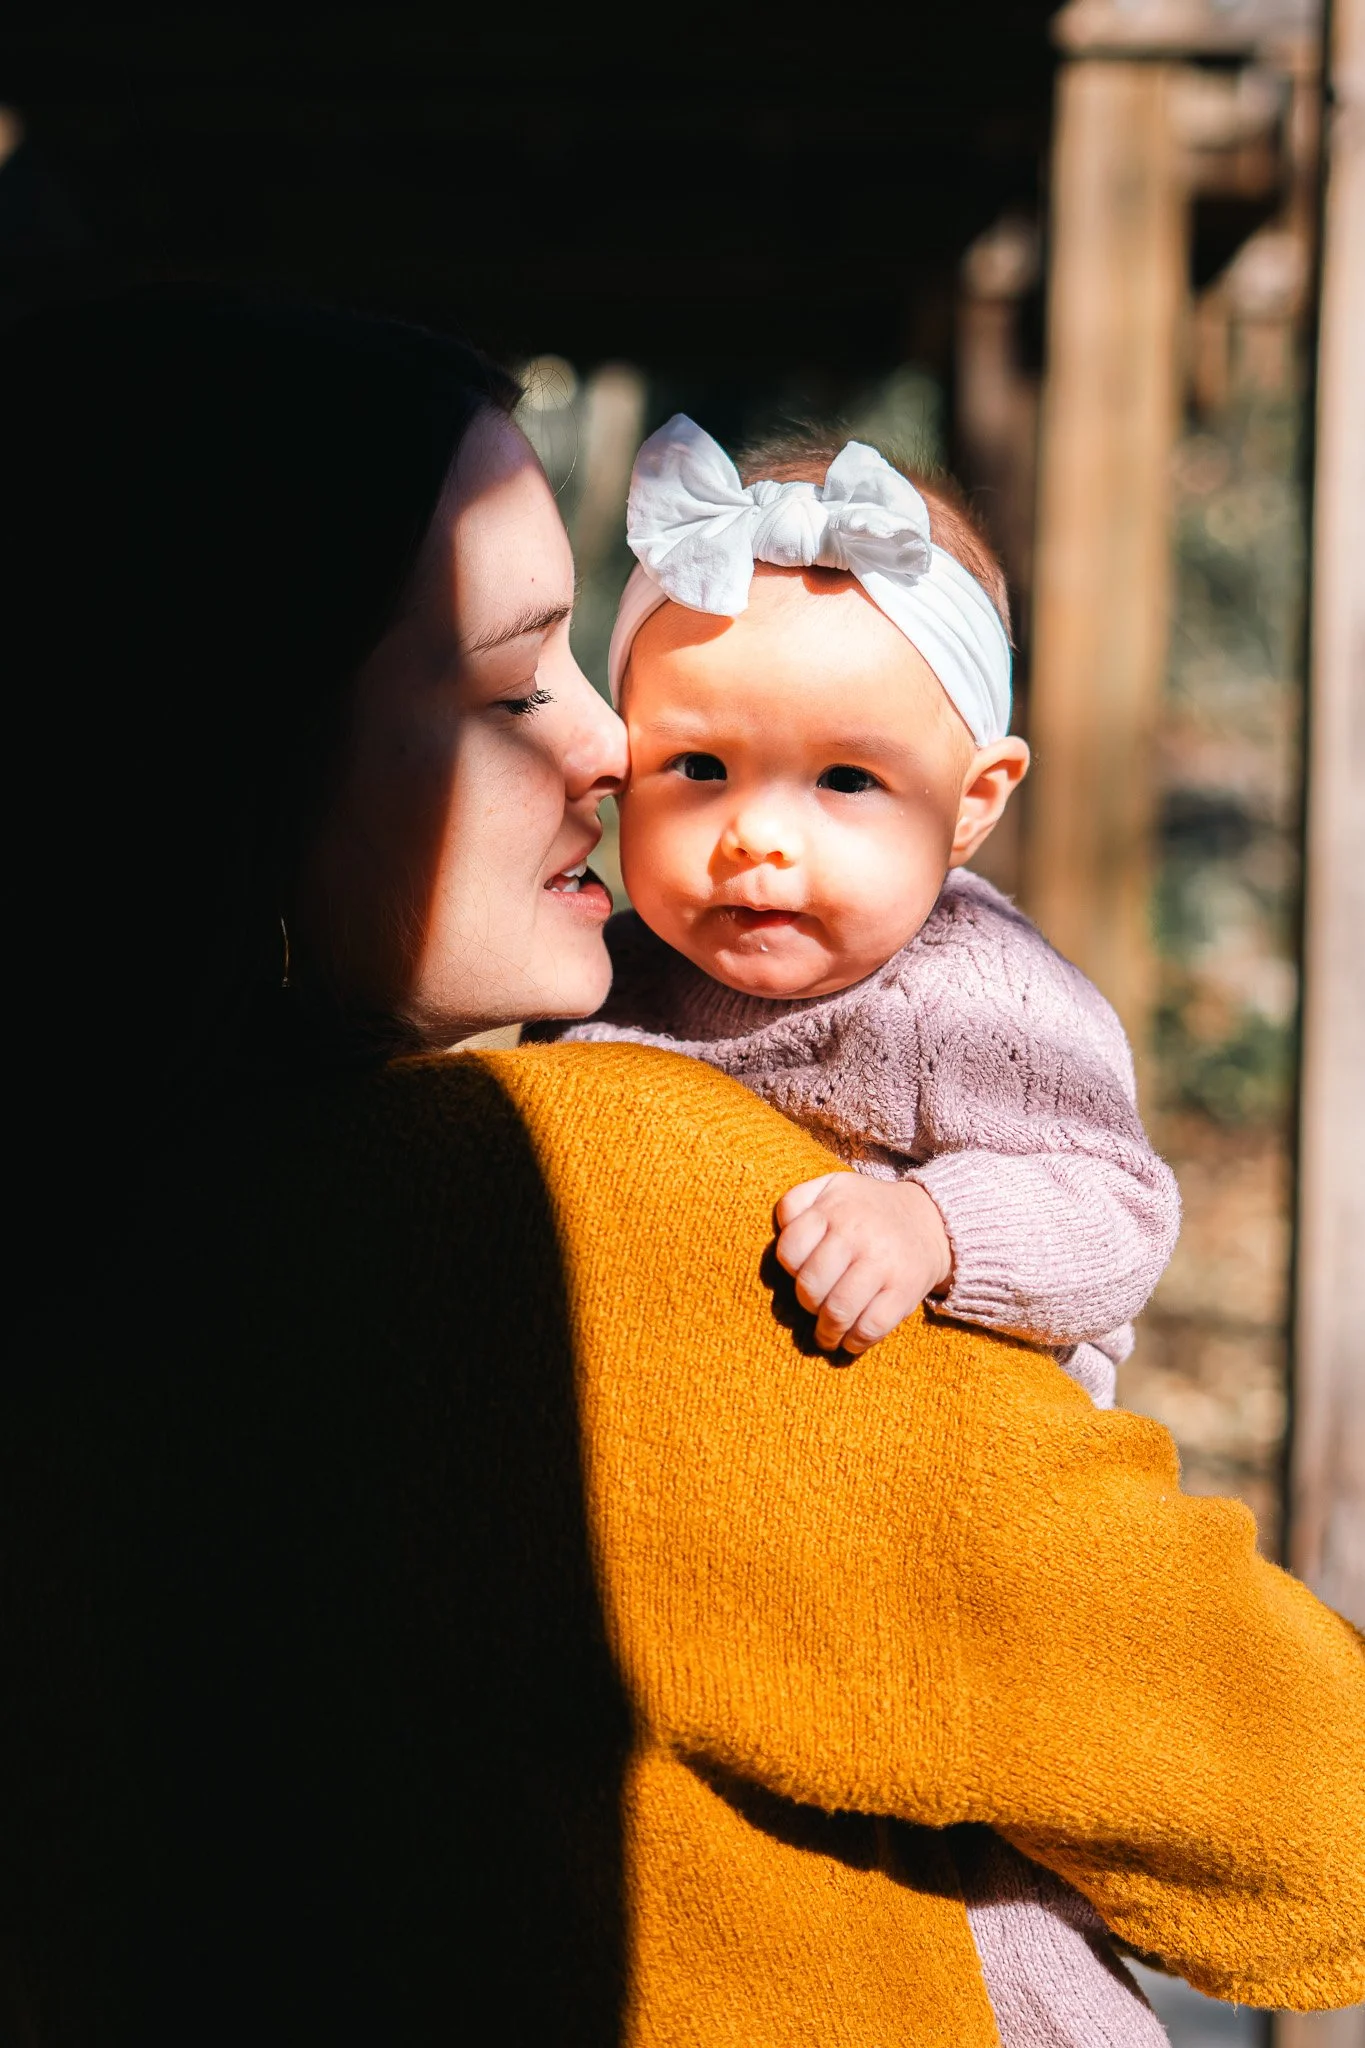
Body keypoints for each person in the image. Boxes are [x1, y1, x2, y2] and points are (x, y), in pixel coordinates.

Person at [2, 290, 1362, 2048]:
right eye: (513, 682)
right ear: (251, 758)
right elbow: (1310, 1808)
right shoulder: (595, 1225)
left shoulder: (87, 1251)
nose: (608, 743)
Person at [531, 415, 1186, 2037]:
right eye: (698, 768)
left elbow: (1116, 1205)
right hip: (702, 1554)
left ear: (972, 804)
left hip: (956, 1556)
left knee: (989, 1920)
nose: (759, 834)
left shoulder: (976, 992)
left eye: (844, 781)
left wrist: (937, 1225)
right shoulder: (596, 979)